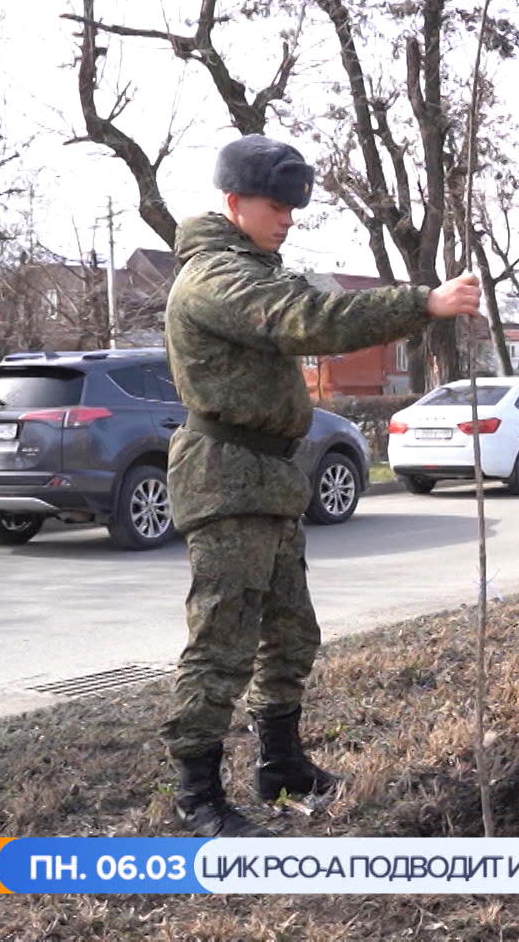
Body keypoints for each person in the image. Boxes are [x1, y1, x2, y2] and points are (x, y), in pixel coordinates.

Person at [159, 134, 482, 837]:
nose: (289, 218)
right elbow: (312, 320)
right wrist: (422, 303)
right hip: (225, 478)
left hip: (267, 475)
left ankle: (281, 766)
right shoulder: (217, 277)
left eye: (294, 206)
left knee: (290, 634)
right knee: (222, 640)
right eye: (276, 205)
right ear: (234, 202)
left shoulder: (252, 265)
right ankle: (197, 796)